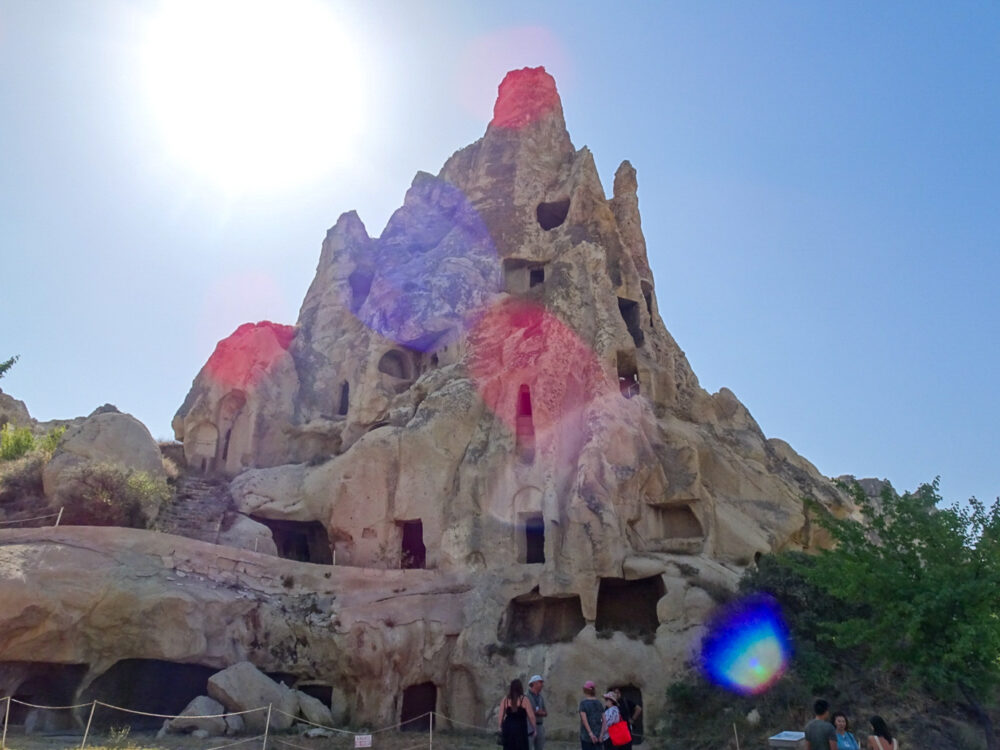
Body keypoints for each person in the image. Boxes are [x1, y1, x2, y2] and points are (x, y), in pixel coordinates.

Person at [498, 678, 536, 750]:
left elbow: (501, 715)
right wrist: (534, 728)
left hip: (508, 728)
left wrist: (499, 727)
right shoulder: (524, 699)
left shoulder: (505, 699)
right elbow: (531, 716)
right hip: (520, 729)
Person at [579, 680, 604, 750]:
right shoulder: (599, 703)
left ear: (585, 690)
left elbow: (584, 720)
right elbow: (604, 720)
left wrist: (590, 734)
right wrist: (601, 734)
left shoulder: (583, 703)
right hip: (598, 736)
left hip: (587, 736)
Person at [526, 674, 547, 750]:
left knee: (540, 747)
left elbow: (545, 712)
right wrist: (535, 712)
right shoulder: (526, 696)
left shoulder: (541, 697)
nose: (542, 685)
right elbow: (525, 711)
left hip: (539, 726)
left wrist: (542, 713)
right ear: (534, 684)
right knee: (528, 746)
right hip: (529, 726)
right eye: (540, 682)